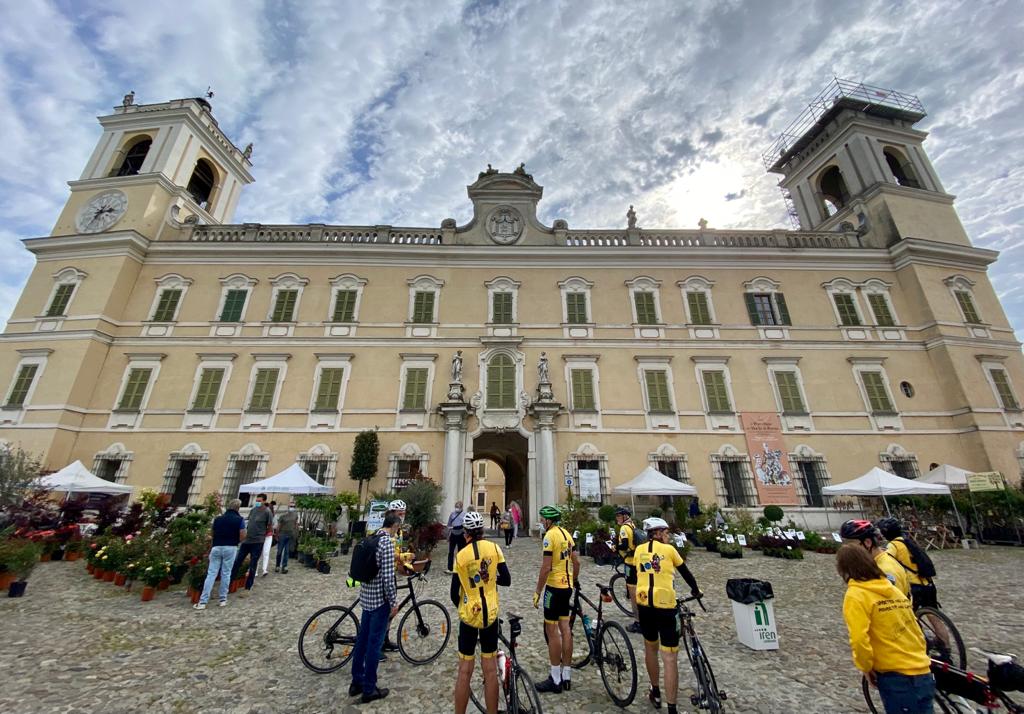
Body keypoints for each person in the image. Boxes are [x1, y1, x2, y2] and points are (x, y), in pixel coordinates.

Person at [836, 543, 934, 714]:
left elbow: (859, 639)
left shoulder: (856, 595)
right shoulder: (893, 590)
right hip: (923, 670)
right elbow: (914, 628)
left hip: (895, 674)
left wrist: (866, 667)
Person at [634, 517, 702, 713]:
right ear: (657, 533)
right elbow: (686, 574)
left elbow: (635, 572)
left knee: (650, 648)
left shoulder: (639, 551)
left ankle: (655, 692)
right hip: (665, 605)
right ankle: (672, 707)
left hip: (644, 604)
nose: (668, 535)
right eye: (665, 532)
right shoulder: (670, 550)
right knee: (669, 657)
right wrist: (696, 590)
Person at [451, 511, 512, 714]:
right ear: (483, 530)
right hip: (490, 616)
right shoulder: (494, 548)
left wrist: (465, 603)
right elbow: (506, 579)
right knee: (490, 670)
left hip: (469, 617)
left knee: (464, 671)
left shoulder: (461, 556)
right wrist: (490, 580)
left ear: (466, 533)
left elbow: (454, 593)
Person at [348, 513, 401, 704]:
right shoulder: (386, 543)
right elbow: (388, 578)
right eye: (397, 528)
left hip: (366, 599)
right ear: (394, 526)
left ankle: (356, 681)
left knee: (362, 640)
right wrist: (394, 602)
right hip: (380, 602)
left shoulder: (371, 537)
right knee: (374, 644)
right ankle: (369, 689)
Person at [533, 505, 580, 694]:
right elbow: (577, 562)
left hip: (553, 588)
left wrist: (538, 591)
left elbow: (546, 568)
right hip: (567, 586)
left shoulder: (549, 537)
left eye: (543, 519)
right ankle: (566, 675)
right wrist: (574, 579)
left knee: (551, 631)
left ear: (548, 521)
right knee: (565, 629)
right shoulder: (567, 535)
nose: (542, 522)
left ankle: (555, 678)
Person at [876, 518, 939, 609]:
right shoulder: (907, 541)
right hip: (927, 582)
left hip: (914, 585)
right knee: (932, 613)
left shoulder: (893, 545)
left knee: (909, 613)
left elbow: (886, 559)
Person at [194, 498, 245, 610]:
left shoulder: (218, 519)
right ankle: (223, 599)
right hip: (230, 547)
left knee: (211, 574)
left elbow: (212, 533)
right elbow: (242, 535)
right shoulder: (239, 520)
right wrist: (236, 541)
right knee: (226, 573)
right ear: (238, 508)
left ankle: (203, 601)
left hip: (217, 546)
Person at [840, 520, 910, 599]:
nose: (847, 551)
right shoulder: (874, 563)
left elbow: (893, 607)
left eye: (851, 545)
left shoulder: (886, 570)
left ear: (867, 543)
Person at [231, 493, 272, 595]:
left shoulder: (267, 512)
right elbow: (249, 521)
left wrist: (263, 535)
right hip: (247, 540)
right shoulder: (253, 510)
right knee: (237, 561)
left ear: (264, 501)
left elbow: (270, 526)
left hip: (258, 541)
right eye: (257, 500)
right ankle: (230, 582)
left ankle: (248, 587)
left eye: (259, 501)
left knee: (253, 563)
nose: (257, 502)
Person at [614, 506, 643, 634]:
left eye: (619, 516)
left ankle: (638, 622)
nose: (617, 518)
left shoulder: (624, 528)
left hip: (629, 563)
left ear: (625, 516)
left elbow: (625, 544)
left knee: (633, 593)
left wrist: (615, 546)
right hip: (636, 561)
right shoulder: (632, 524)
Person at [275, 499, 298, 573]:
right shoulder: (283, 516)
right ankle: (277, 565)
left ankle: (284, 566)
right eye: (291, 506)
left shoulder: (295, 515)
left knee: (287, 552)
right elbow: (279, 526)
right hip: (282, 535)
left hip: (290, 535)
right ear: (288, 507)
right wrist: (277, 534)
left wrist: (296, 532)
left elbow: (295, 524)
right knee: (279, 551)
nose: (292, 507)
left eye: (293, 506)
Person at [446, 500, 466, 573]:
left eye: (458, 507)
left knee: (461, 552)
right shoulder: (452, 514)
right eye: (456, 507)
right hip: (453, 534)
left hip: (461, 534)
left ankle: (460, 567)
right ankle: (450, 568)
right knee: (451, 552)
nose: (457, 508)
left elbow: (465, 525)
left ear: (461, 507)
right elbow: (449, 524)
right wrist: (448, 535)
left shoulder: (464, 514)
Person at [259, 500, 276, 576]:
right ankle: (255, 570)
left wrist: (270, 527)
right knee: (258, 553)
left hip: (268, 536)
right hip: (260, 536)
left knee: (266, 553)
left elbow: (275, 526)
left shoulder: (273, 517)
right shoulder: (260, 515)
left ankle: (264, 569)